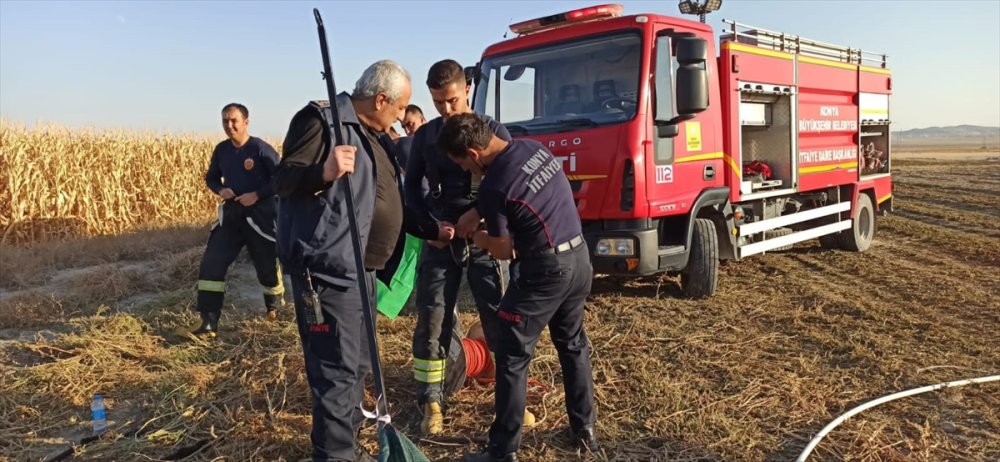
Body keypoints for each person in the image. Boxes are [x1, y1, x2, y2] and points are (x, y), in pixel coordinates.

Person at [274, 60, 451, 462]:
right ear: (381, 98)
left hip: (362, 273)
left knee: (356, 369)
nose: (401, 117)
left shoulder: (374, 134)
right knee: (335, 375)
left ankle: (347, 447)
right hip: (328, 274)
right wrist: (324, 171)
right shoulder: (321, 121)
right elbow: (283, 179)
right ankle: (335, 455)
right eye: (400, 107)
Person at [437, 113, 598, 462]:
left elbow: (503, 249)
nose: (465, 171)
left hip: (544, 271)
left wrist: (475, 234)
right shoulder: (531, 148)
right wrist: (478, 211)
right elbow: (520, 189)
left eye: (462, 163)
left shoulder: (494, 186)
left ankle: (502, 450)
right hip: (579, 258)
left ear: (474, 153)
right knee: (572, 344)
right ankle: (585, 430)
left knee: (511, 353)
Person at [405, 59, 513, 435]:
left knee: (499, 317)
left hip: (484, 239)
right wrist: (430, 228)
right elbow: (411, 192)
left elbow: (508, 181)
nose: (446, 110)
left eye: (451, 100)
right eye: (438, 103)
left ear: (466, 89)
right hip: (440, 241)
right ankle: (431, 400)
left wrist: (479, 215)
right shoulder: (425, 137)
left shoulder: (493, 131)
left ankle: (508, 398)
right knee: (432, 317)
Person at [191, 103, 284, 337]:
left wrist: (258, 195)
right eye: (225, 121)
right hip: (232, 217)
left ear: (246, 122)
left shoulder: (261, 149)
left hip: (260, 218)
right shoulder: (221, 150)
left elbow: (282, 178)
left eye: (233, 120)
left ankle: (274, 309)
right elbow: (211, 178)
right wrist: (220, 189)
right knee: (212, 263)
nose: (229, 125)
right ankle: (209, 323)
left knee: (267, 269)